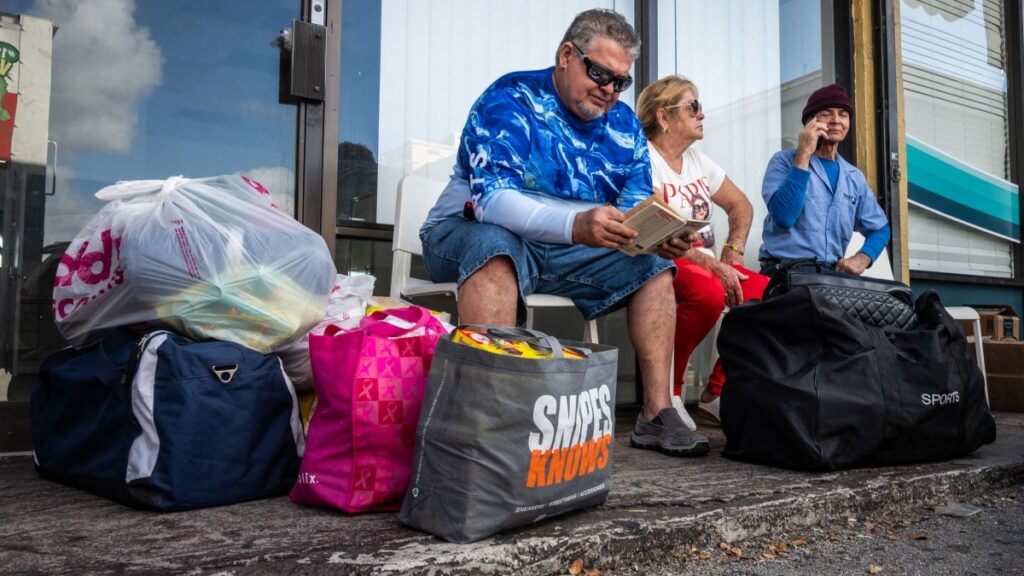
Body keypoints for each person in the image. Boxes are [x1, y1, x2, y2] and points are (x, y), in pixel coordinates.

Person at [419, 9, 710, 456]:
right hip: (466, 230)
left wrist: (657, 233)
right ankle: (487, 421)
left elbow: (634, 206)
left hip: (566, 246)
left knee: (655, 267)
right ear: (565, 56)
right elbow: (492, 202)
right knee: (495, 246)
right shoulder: (510, 98)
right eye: (600, 74)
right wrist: (576, 224)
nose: (610, 91)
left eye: (621, 82)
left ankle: (656, 413)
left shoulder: (625, 124)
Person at [636, 76, 770, 428]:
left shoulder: (699, 162)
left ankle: (717, 391)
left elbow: (741, 206)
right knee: (708, 291)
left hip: (704, 262)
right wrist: (713, 266)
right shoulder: (643, 158)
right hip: (661, 258)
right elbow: (660, 229)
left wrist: (733, 252)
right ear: (664, 117)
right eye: (693, 106)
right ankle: (669, 391)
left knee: (767, 293)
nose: (702, 114)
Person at [760, 84, 891, 276]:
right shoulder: (783, 161)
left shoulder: (854, 177)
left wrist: (861, 258)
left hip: (831, 276)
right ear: (811, 122)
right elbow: (784, 217)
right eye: (827, 113)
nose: (836, 120)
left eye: (843, 114)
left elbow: (881, 229)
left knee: (898, 299)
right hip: (787, 272)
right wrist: (804, 154)